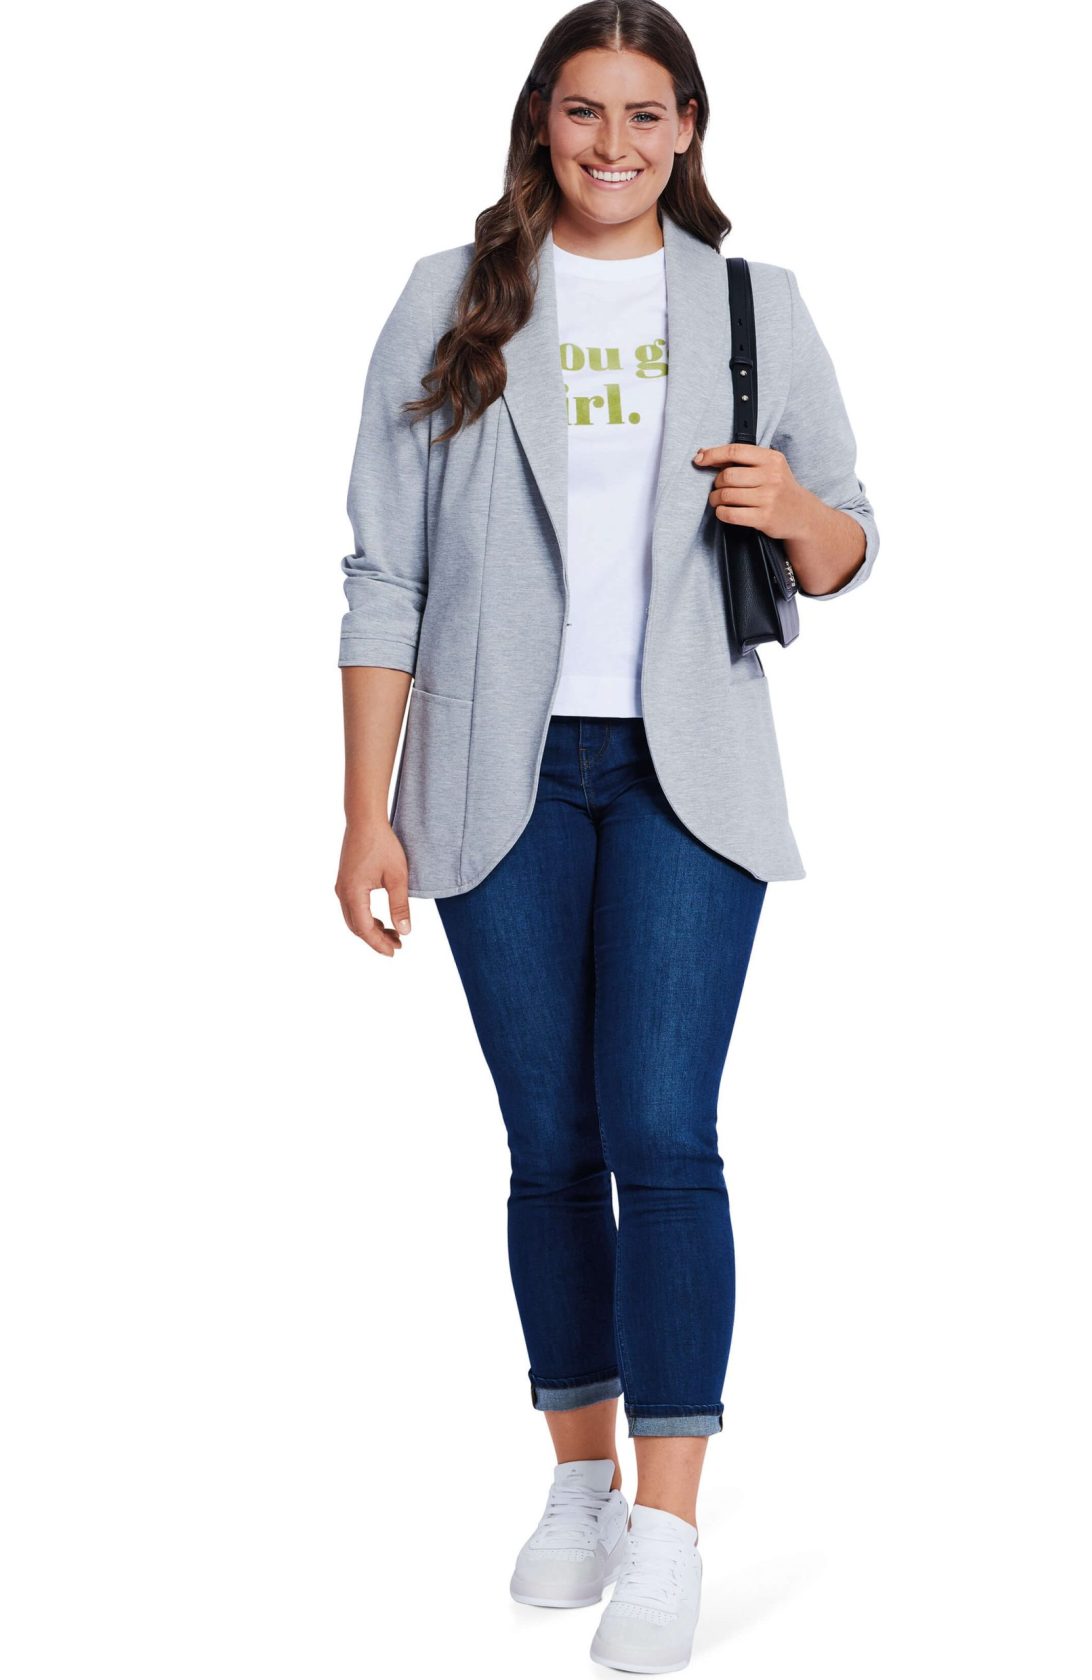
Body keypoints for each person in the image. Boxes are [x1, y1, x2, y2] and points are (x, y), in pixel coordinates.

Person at [334, 2, 879, 1669]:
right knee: (552, 1143)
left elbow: (848, 542)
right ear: (542, 122)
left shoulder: (752, 306)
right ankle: (579, 1478)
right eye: (586, 111)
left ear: (689, 127)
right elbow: (384, 571)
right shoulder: (452, 297)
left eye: (648, 114)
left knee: (664, 1131)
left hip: (684, 774)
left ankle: (670, 1525)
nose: (615, 144)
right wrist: (364, 810)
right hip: (491, 768)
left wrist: (798, 513)